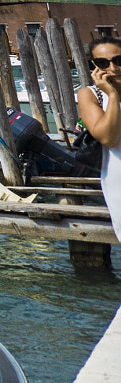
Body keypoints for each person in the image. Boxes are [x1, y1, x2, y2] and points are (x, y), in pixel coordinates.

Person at [76, 36, 121, 242]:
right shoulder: (90, 95)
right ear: (94, 67)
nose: (112, 67)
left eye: (118, 60)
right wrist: (112, 96)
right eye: (103, 63)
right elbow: (108, 138)